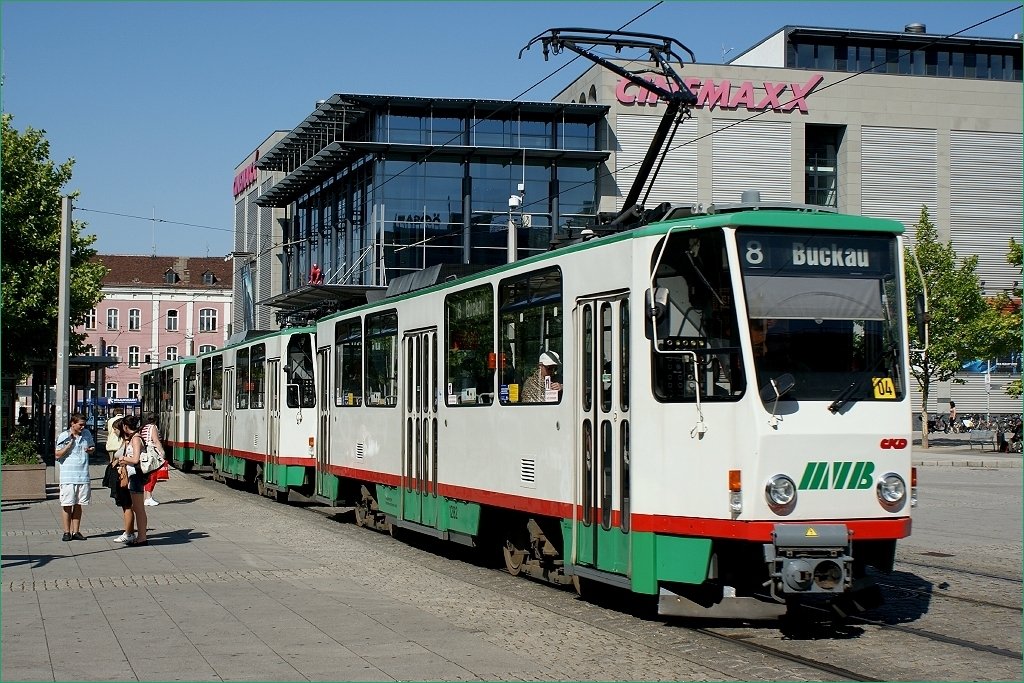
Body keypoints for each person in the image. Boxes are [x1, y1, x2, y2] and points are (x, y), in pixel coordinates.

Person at [54, 413, 95, 541]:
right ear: (73, 423)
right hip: (68, 475)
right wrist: (69, 444)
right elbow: (57, 454)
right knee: (67, 504)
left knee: (79, 503)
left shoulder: (87, 434)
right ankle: (66, 532)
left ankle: (76, 531)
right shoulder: (64, 435)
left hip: (82, 474)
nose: (83, 427)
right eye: (80, 424)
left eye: (84, 425)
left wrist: (91, 449)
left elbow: (92, 448)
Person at [114, 415, 149, 546]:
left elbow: (135, 459)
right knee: (136, 507)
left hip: (136, 475)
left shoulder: (136, 438)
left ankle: (142, 537)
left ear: (125, 426)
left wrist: (123, 459)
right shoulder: (133, 438)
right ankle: (141, 536)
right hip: (133, 475)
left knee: (138, 508)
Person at [103, 418, 137, 543]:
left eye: (116, 429)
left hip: (125, 476)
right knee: (125, 505)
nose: (114, 432)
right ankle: (128, 531)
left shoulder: (130, 441)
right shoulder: (124, 441)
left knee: (127, 505)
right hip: (120, 475)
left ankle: (129, 532)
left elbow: (133, 458)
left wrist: (120, 460)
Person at [140, 412, 168, 506]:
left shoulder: (143, 427)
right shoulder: (153, 427)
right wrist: (162, 452)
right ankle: (149, 497)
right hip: (152, 454)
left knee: (148, 475)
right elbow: (155, 440)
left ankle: (147, 497)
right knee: (152, 476)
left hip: (145, 453)